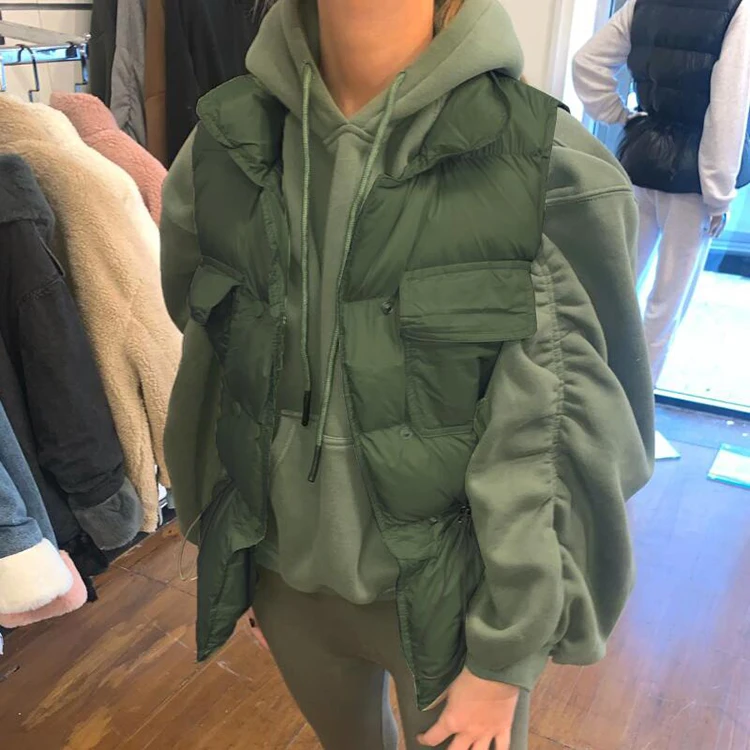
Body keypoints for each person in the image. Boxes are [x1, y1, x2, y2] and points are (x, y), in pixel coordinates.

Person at [160, 0, 655, 748]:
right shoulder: (223, 148)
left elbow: (560, 432)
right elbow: (217, 365)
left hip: (457, 611)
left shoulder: (545, 166)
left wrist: (508, 649)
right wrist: (238, 550)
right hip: (286, 585)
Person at [573, 0, 750, 383]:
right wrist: (719, 193)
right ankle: (637, 406)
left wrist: (621, 116)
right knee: (665, 307)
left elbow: (586, 62)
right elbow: (727, 107)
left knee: (618, 287)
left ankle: (592, 388)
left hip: (641, 161)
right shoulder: (739, 10)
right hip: (693, 181)